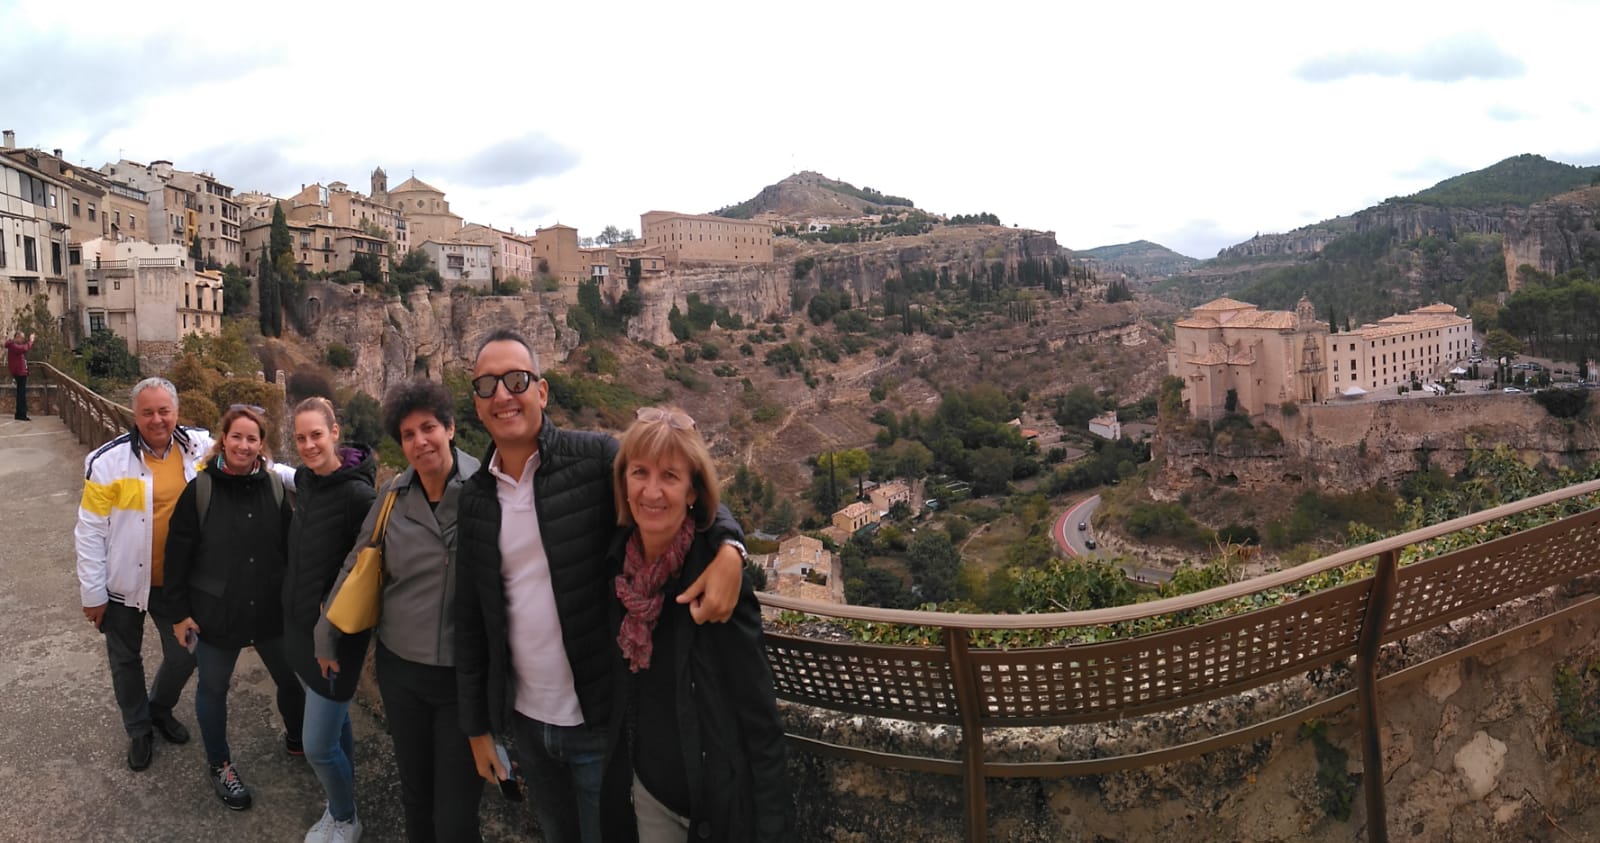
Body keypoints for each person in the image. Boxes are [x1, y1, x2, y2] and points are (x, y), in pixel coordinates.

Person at [455, 328, 748, 843]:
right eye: (487, 385)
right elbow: (472, 620)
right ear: (477, 405)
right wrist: (478, 728)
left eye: (516, 379)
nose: (502, 394)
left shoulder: (593, 460)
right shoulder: (475, 498)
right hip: (526, 724)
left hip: (597, 724)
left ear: (541, 392)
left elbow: (672, 482)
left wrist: (731, 547)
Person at [601, 406, 791, 842]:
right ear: (623, 483)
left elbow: (757, 714)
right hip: (649, 795)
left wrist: (773, 827)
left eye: (670, 476)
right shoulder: (615, 564)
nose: (651, 491)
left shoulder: (715, 580)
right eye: (640, 473)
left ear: (692, 491)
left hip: (718, 806)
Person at [318, 380, 484, 842]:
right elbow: (358, 561)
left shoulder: (486, 492)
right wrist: (325, 632)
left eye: (428, 427)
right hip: (401, 672)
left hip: (461, 680)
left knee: (457, 813)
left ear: (450, 429)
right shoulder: (392, 496)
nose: (419, 441)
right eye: (408, 434)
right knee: (415, 795)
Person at [165, 405, 304, 811]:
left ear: (262, 444)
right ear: (223, 439)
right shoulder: (201, 490)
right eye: (236, 436)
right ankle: (220, 764)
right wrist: (178, 614)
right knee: (212, 688)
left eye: (252, 438)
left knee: (291, 681)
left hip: (268, 609)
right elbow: (177, 556)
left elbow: (290, 546)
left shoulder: (274, 488)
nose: (244, 445)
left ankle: (297, 738)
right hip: (216, 612)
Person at [75, 377, 203, 771]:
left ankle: (159, 708)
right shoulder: (107, 461)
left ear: (176, 411)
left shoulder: (200, 449)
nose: (157, 419)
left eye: (164, 410)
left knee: (187, 654)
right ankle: (138, 728)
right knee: (124, 661)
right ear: (135, 414)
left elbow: (252, 458)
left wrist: (297, 475)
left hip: (177, 585)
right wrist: (92, 593)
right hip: (123, 584)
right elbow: (90, 530)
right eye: (147, 412)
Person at [285, 397, 376, 843]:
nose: (308, 445)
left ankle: (345, 817)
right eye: (300, 437)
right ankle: (343, 802)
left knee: (318, 747)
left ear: (335, 432)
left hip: (335, 638)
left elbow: (367, 569)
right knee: (336, 726)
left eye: (316, 435)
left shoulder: (358, 495)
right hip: (298, 626)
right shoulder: (303, 479)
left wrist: (330, 623)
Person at [6, 330, 34, 420]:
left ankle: (19, 414)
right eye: (21, 338)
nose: (22, 340)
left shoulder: (13, 346)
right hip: (19, 373)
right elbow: (24, 349)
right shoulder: (13, 346)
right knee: (21, 394)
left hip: (20, 372)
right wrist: (31, 341)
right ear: (17, 337)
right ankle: (21, 414)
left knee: (20, 393)